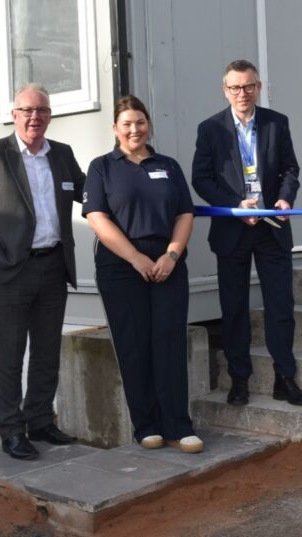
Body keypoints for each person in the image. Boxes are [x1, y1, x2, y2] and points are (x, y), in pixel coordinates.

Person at [0, 84, 83, 460]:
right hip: (11, 271)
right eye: (27, 110)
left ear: (49, 116)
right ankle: (11, 430)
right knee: (10, 355)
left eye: (42, 111)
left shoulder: (61, 155)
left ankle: (40, 421)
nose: (35, 117)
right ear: (14, 114)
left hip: (53, 266)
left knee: (47, 352)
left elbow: (88, 192)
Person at [83, 95, 203, 454]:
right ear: (115, 129)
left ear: (149, 124)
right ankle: (145, 425)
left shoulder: (168, 165)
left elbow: (184, 214)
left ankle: (178, 426)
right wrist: (135, 258)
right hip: (121, 265)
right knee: (134, 344)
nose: (135, 129)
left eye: (140, 122)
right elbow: (97, 219)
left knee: (169, 341)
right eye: (127, 123)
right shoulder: (102, 166)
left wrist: (171, 254)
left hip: (167, 262)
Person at [192, 59, 302, 407]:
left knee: (280, 305)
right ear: (224, 90)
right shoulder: (210, 128)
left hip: (272, 227)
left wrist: (285, 199)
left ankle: (285, 378)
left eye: (248, 86)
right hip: (233, 229)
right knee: (234, 307)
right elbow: (201, 178)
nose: (242, 93)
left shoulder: (277, 122)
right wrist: (234, 205)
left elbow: (291, 168)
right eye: (235, 87)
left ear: (258, 87)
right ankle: (239, 378)